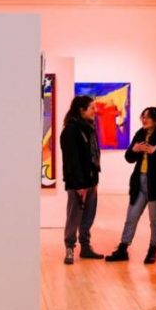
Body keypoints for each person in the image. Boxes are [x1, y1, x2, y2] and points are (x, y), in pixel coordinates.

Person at [105, 107, 156, 264]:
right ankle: (123, 248)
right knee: (131, 217)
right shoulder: (141, 133)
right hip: (139, 181)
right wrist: (135, 149)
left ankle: (152, 250)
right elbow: (129, 157)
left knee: (155, 219)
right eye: (142, 116)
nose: (143, 120)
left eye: (147, 117)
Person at [60, 95, 104, 265]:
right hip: (78, 183)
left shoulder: (89, 128)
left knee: (88, 216)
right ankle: (69, 248)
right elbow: (72, 161)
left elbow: (93, 155)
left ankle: (85, 247)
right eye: (92, 108)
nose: (95, 111)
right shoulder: (71, 130)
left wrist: (94, 179)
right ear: (81, 110)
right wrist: (79, 185)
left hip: (91, 180)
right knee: (74, 215)